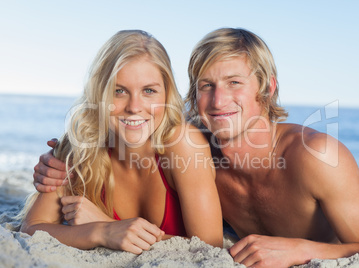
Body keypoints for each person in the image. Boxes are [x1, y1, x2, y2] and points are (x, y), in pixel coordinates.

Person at [33, 28, 359, 267]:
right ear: (192, 95)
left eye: (235, 82)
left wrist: (303, 249)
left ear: (268, 87)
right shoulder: (192, 145)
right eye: (206, 86)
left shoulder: (316, 156)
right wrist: (56, 161)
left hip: (336, 240)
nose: (219, 99)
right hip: (251, 242)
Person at [20, 30, 223, 254]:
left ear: (166, 94)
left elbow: (210, 249)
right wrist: (102, 232)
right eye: (119, 91)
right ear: (100, 93)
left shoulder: (182, 144)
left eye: (149, 91)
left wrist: (109, 224)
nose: (134, 107)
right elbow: (31, 229)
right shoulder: (81, 146)